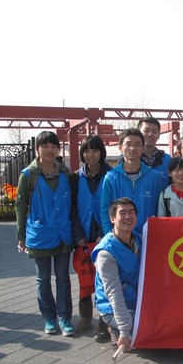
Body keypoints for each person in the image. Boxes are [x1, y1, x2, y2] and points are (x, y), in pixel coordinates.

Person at [16, 131, 75, 335]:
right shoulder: (28, 175)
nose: (50, 150)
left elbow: (73, 203)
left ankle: (64, 317)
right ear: (37, 149)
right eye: (45, 146)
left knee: (63, 277)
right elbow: (20, 206)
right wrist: (21, 236)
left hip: (63, 233)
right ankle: (49, 317)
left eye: (54, 146)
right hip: (39, 234)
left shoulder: (65, 173)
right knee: (42, 278)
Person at [70, 135, 112, 334]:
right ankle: (86, 317)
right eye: (86, 151)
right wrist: (78, 234)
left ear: (101, 152)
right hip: (83, 236)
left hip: (105, 234)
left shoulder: (111, 175)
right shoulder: (75, 178)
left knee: (105, 278)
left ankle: (104, 320)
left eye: (95, 150)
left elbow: (114, 205)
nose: (90, 155)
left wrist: (105, 232)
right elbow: (71, 208)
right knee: (85, 276)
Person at [91, 198, 141, 352]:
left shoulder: (138, 239)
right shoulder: (105, 252)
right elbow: (114, 293)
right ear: (112, 218)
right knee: (137, 326)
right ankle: (114, 328)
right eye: (122, 213)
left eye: (131, 212)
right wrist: (124, 330)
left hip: (134, 299)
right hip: (112, 305)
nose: (128, 217)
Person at [99, 128, 168, 235]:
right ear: (120, 148)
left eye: (137, 144)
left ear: (143, 148)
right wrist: (111, 236)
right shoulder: (111, 177)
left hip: (149, 237)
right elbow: (105, 210)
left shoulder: (155, 177)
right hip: (120, 237)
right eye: (128, 144)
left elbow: (162, 210)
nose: (132, 148)